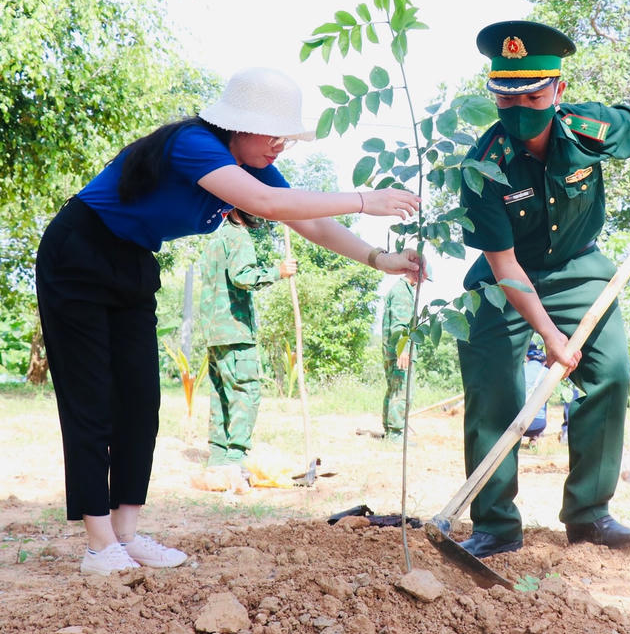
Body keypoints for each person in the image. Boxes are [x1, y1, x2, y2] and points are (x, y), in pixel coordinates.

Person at [35, 67, 422, 574]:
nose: (281, 146)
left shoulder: (253, 164)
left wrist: (379, 258)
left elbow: (310, 222)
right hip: (78, 251)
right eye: (273, 133)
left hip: (132, 260)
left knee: (140, 400)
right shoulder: (193, 144)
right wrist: (366, 200)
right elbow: (265, 204)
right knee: (92, 401)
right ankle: (98, 544)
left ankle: (126, 534)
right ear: (237, 125)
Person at [455, 20, 630, 559]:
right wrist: (550, 336)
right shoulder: (481, 167)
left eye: (533, 95)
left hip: (579, 266)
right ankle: (495, 526)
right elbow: (504, 264)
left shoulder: (589, 126)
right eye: (507, 100)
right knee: (494, 390)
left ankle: (590, 515)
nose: (520, 110)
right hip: (505, 281)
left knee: (611, 374)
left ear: (558, 90)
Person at [199, 211, 294, 465]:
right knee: (245, 392)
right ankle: (233, 459)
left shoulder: (215, 237)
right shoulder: (238, 236)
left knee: (221, 393)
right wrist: (278, 272)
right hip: (235, 330)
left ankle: (218, 458)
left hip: (215, 331)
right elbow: (242, 276)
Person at [381, 277, 416, 440]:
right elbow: (400, 325)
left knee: (394, 390)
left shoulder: (399, 289)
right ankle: (395, 434)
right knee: (402, 392)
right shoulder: (402, 292)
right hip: (399, 351)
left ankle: (390, 431)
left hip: (392, 350)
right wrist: (403, 350)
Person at [522, 343, 549, 445]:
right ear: (544, 361)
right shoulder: (547, 373)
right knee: (543, 400)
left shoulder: (521, 370)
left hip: (518, 422)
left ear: (527, 358)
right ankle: (534, 439)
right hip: (539, 424)